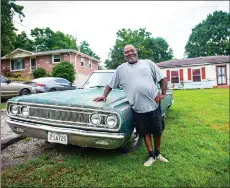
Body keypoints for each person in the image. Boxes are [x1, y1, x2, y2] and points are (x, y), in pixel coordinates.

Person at [93, 44, 169, 167]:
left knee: (157, 132)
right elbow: (110, 84)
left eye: (131, 50)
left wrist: (163, 94)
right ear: (124, 55)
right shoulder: (120, 69)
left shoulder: (148, 63)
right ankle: (151, 155)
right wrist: (104, 95)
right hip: (137, 109)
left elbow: (163, 78)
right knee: (145, 133)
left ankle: (158, 153)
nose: (129, 53)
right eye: (126, 52)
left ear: (136, 51)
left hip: (153, 106)